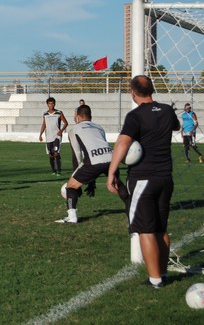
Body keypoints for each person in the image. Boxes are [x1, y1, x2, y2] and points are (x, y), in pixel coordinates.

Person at [106, 75, 180, 289]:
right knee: (160, 229)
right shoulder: (167, 110)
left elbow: (122, 142)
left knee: (146, 230)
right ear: (152, 90)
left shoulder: (135, 115)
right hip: (166, 178)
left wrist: (112, 172)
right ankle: (163, 273)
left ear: (133, 92)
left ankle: (155, 280)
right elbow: (175, 127)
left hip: (143, 179)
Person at [57, 104, 114, 223]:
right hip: (110, 159)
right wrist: (90, 180)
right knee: (118, 186)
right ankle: (133, 207)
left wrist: (76, 176)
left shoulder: (74, 129)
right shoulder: (99, 127)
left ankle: (72, 217)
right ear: (90, 116)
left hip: (93, 162)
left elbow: (77, 156)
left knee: (70, 187)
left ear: (77, 117)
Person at [39, 97, 68, 175]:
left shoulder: (59, 112)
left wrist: (61, 131)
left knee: (56, 153)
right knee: (50, 155)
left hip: (56, 136)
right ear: (47, 105)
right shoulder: (45, 114)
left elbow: (66, 123)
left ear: (54, 104)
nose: (51, 105)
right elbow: (44, 124)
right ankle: (54, 171)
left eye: (52, 103)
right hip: (48, 137)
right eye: (49, 103)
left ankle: (59, 171)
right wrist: (40, 134)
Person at [71, 99, 86, 170]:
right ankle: (79, 163)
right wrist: (77, 123)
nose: (82, 104)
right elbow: (75, 117)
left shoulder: (86, 108)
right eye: (81, 103)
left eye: (82, 103)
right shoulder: (77, 109)